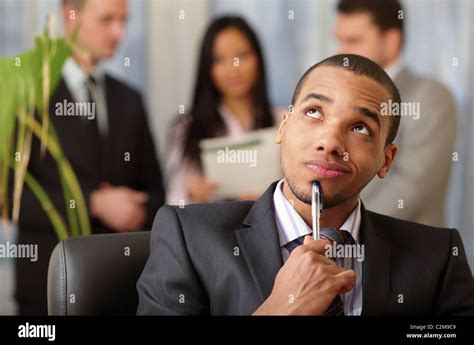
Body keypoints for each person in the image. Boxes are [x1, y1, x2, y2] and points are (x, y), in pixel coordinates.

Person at [137, 54, 474, 315]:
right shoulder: (188, 236)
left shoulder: (438, 257)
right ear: (283, 127)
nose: (329, 142)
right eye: (314, 112)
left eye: (360, 128)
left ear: (386, 159)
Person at [14, 0, 165, 315]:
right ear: (70, 16)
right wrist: (94, 203)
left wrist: (135, 210)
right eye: (107, 19)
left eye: (123, 20)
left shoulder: (130, 100)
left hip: (122, 283)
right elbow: (10, 198)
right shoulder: (25, 93)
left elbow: (156, 191)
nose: (119, 32)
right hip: (46, 283)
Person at [334, 0, 457, 227]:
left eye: (353, 40)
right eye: (339, 40)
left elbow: (411, 186)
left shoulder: (431, 97)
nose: (341, 52)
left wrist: (334, 224)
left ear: (391, 42)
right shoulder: (338, 96)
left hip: (407, 251)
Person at [166, 16, 282, 205]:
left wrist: (274, 198)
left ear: (258, 60)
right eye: (219, 60)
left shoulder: (284, 120)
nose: (233, 69)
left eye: (242, 56)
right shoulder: (186, 128)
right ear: (207, 67)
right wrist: (191, 197)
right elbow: (173, 201)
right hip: (211, 230)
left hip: (272, 229)